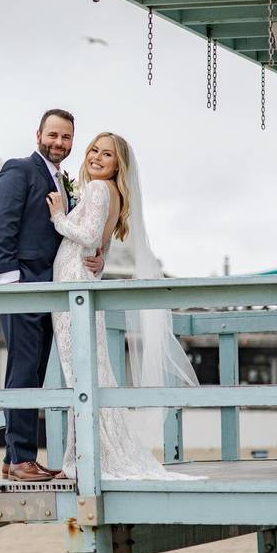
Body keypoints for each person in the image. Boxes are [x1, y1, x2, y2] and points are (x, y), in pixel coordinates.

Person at [47, 132, 203, 480]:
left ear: (119, 165)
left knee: (79, 375)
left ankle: (80, 460)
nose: (97, 158)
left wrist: (59, 216)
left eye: (107, 155)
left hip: (73, 282)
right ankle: (88, 454)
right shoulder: (114, 194)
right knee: (91, 371)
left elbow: (87, 237)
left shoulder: (99, 189)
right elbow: (100, 244)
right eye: (94, 151)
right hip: (83, 279)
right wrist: (99, 262)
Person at [0, 109, 104, 482]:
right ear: (38, 133)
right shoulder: (18, 169)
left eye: (66, 138)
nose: (59, 143)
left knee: (35, 370)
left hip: (49, 286)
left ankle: (15, 458)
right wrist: (10, 284)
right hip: (21, 285)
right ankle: (21, 459)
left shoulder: (63, 180)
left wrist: (93, 260)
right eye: (53, 135)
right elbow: (2, 224)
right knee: (23, 368)